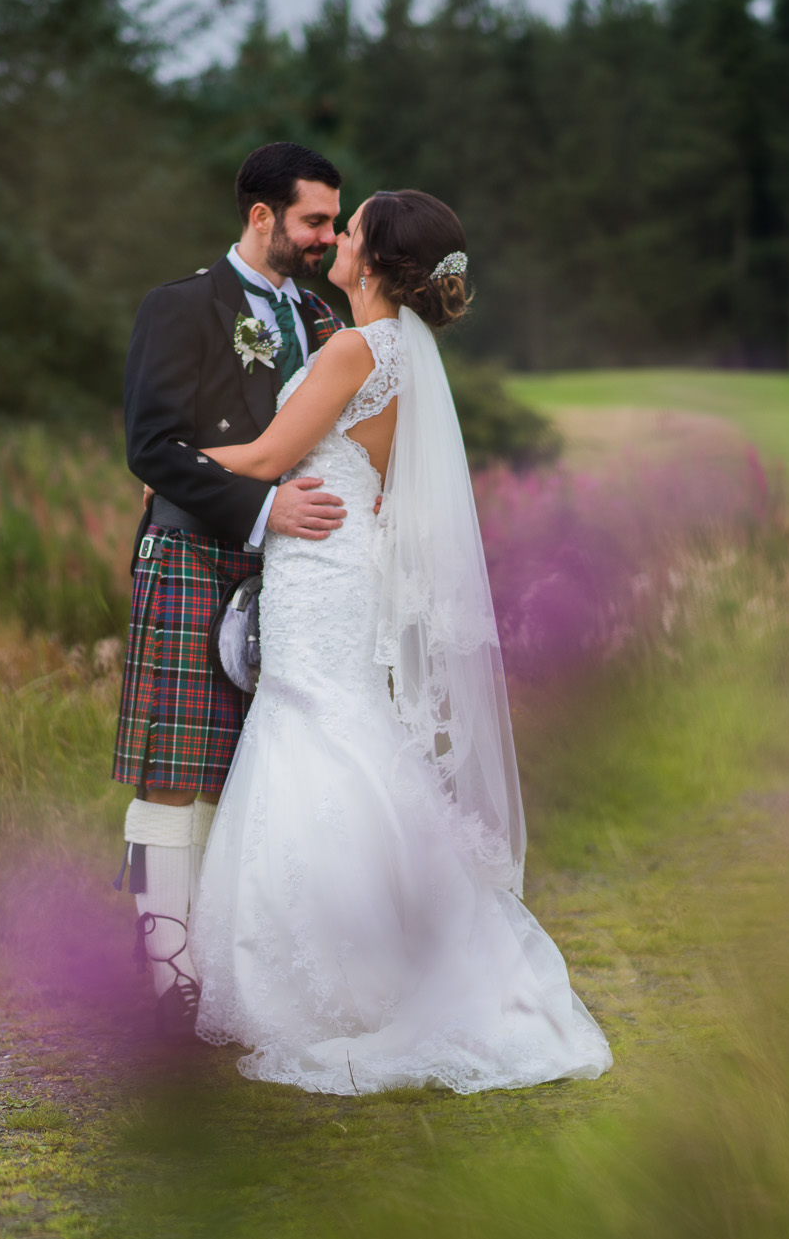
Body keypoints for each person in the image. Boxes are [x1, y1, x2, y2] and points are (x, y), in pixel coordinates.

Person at [191, 189, 612, 1094]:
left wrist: (168, 464)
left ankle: (344, 983)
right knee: (343, 732)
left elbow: (266, 458)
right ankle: (390, 951)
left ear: (375, 261)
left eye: (348, 231)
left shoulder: (355, 348)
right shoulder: (404, 356)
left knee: (315, 733)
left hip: (322, 572)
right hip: (339, 563)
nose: (335, 241)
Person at [112, 143, 347, 1036]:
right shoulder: (179, 307)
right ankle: (162, 963)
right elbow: (152, 447)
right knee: (174, 766)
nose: (326, 236)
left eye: (332, 221)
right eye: (313, 220)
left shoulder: (323, 319)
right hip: (194, 552)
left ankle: (225, 953)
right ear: (262, 217)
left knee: (252, 771)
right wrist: (261, 508)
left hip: (293, 573)